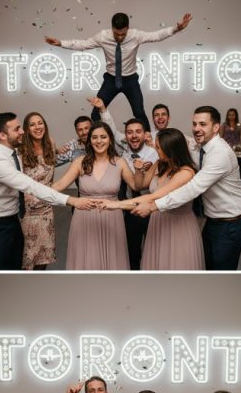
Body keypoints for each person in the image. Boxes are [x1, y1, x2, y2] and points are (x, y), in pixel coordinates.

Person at [129, 106, 241, 270]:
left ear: (216, 127)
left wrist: (153, 206)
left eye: (202, 124)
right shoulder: (200, 147)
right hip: (213, 220)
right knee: (206, 268)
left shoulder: (219, 153)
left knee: (221, 274)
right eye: (194, 124)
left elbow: (192, 189)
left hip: (230, 223)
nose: (197, 129)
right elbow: (178, 145)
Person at [0, 112, 96, 270]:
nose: (22, 131)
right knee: (4, 271)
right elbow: (30, 185)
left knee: (21, 265)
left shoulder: (13, 151)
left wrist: (57, 151)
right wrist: (72, 200)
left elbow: (50, 161)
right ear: (3, 135)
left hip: (12, 218)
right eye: (18, 129)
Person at [45, 12, 192, 129]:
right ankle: (100, 140)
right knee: (96, 112)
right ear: (112, 29)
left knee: (139, 113)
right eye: (117, 34)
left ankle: (149, 142)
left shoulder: (135, 35)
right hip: (110, 79)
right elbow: (84, 44)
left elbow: (156, 36)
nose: (120, 37)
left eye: (123, 34)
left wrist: (176, 28)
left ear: (128, 28)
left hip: (130, 80)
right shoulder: (103, 36)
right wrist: (61, 43)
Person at [105, 128, 204, 270]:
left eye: (158, 147)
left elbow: (154, 196)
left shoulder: (186, 172)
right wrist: (138, 169)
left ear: (170, 148)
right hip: (157, 222)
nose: (155, 149)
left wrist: (116, 204)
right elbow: (139, 186)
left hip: (178, 226)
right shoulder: (159, 164)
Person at [50, 121, 130, 270]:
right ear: (90, 140)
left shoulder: (120, 163)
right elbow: (59, 186)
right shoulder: (79, 162)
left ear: (110, 139)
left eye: (103, 137)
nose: (99, 141)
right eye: (94, 137)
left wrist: (153, 167)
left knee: (112, 261)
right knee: (86, 261)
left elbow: (137, 185)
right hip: (84, 218)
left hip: (111, 218)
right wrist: (34, 189)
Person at [90, 98, 159, 270]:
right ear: (125, 135)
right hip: (128, 208)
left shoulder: (154, 154)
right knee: (131, 249)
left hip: (152, 208)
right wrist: (103, 109)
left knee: (154, 247)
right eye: (129, 132)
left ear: (145, 134)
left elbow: (144, 185)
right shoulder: (124, 149)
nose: (134, 135)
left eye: (138, 132)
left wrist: (141, 170)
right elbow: (111, 129)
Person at [17, 112, 62, 270]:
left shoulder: (50, 143)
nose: (38, 127)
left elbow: (52, 166)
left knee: (44, 258)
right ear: (27, 129)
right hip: (29, 212)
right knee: (28, 257)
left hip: (47, 210)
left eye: (40, 123)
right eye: (32, 124)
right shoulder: (21, 148)